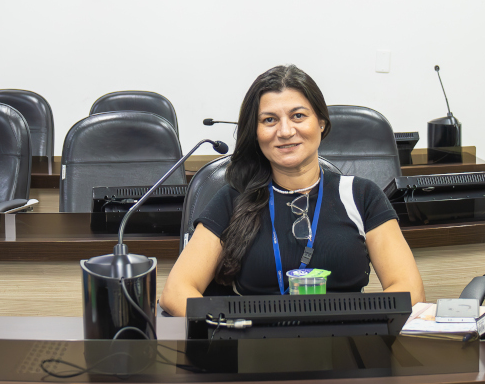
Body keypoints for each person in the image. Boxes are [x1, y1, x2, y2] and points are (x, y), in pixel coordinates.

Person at [161, 65, 424, 316]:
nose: (285, 131)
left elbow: (409, 291)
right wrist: (231, 329)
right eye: (269, 120)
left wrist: (365, 323)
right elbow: (176, 292)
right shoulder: (233, 200)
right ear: (255, 132)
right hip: (256, 348)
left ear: (321, 121)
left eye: (298, 116)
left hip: (350, 345)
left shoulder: (361, 196)